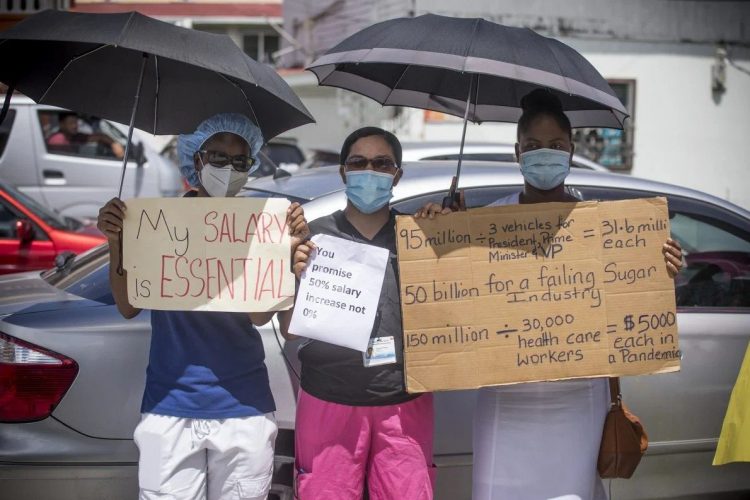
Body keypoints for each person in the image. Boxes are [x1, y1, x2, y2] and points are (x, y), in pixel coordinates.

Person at [415, 89, 683, 500]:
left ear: (572, 151)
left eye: (556, 146)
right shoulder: (486, 226)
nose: (545, 154)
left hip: (580, 401)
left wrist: (658, 267)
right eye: (534, 146)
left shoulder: (604, 228)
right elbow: (442, 298)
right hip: (505, 401)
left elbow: (632, 301)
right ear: (516, 152)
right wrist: (437, 233)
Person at [96, 113, 308, 500]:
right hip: (169, 405)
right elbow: (127, 306)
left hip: (243, 406)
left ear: (251, 167)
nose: (228, 169)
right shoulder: (157, 226)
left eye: (239, 161)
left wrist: (287, 249)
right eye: (218, 158)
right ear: (197, 160)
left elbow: (259, 314)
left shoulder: (262, 227)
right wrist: (116, 241)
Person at [287, 127, 435, 500]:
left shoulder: (418, 236)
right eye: (359, 162)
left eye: (382, 163)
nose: (370, 170)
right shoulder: (313, 240)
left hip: (404, 403)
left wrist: (449, 230)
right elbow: (289, 329)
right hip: (328, 399)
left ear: (396, 175)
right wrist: (292, 275)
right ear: (343, 172)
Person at [47, 111, 125, 159]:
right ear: (62, 124)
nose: (75, 126)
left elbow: (100, 137)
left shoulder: (74, 136)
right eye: (71, 123)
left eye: (75, 122)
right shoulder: (58, 139)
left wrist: (115, 145)